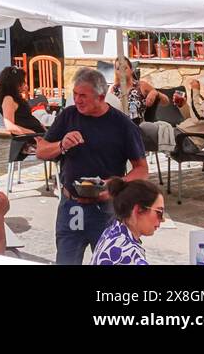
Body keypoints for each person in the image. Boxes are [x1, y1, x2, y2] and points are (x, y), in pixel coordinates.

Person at [36, 67, 149, 265]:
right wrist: (61, 144)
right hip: (70, 205)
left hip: (106, 208)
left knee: (108, 261)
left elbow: (142, 170)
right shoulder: (68, 115)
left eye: (83, 96)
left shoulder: (122, 125)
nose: (77, 100)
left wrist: (116, 186)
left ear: (101, 96)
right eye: (75, 94)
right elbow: (41, 151)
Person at [91, 178, 164, 265]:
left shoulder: (111, 232)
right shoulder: (131, 256)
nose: (163, 219)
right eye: (159, 212)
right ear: (139, 209)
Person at [0, 66, 46, 144]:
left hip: (38, 135)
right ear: (16, 83)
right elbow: (10, 126)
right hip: (29, 140)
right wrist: (33, 134)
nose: (25, 85)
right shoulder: (8, 99)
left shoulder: (16, 98)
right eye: (23, 81)